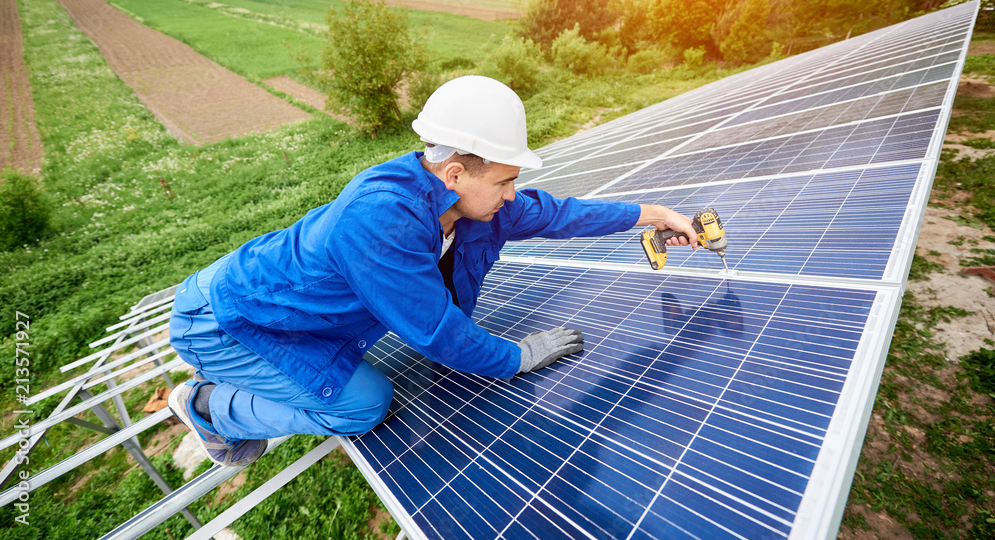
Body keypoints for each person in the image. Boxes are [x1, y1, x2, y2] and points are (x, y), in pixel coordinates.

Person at [167, 75, 697, 467]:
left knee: (346, 378)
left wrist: (658, 215)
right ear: (455, 171)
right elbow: (437, 333)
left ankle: (240, 386)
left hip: (290, 314)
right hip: (227, 322)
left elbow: (562, 212)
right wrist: (517, 357)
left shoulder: (473, 199)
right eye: (506, 181)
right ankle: (209, 406)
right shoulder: (381, 220)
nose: (513, 195)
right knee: (364, 405)